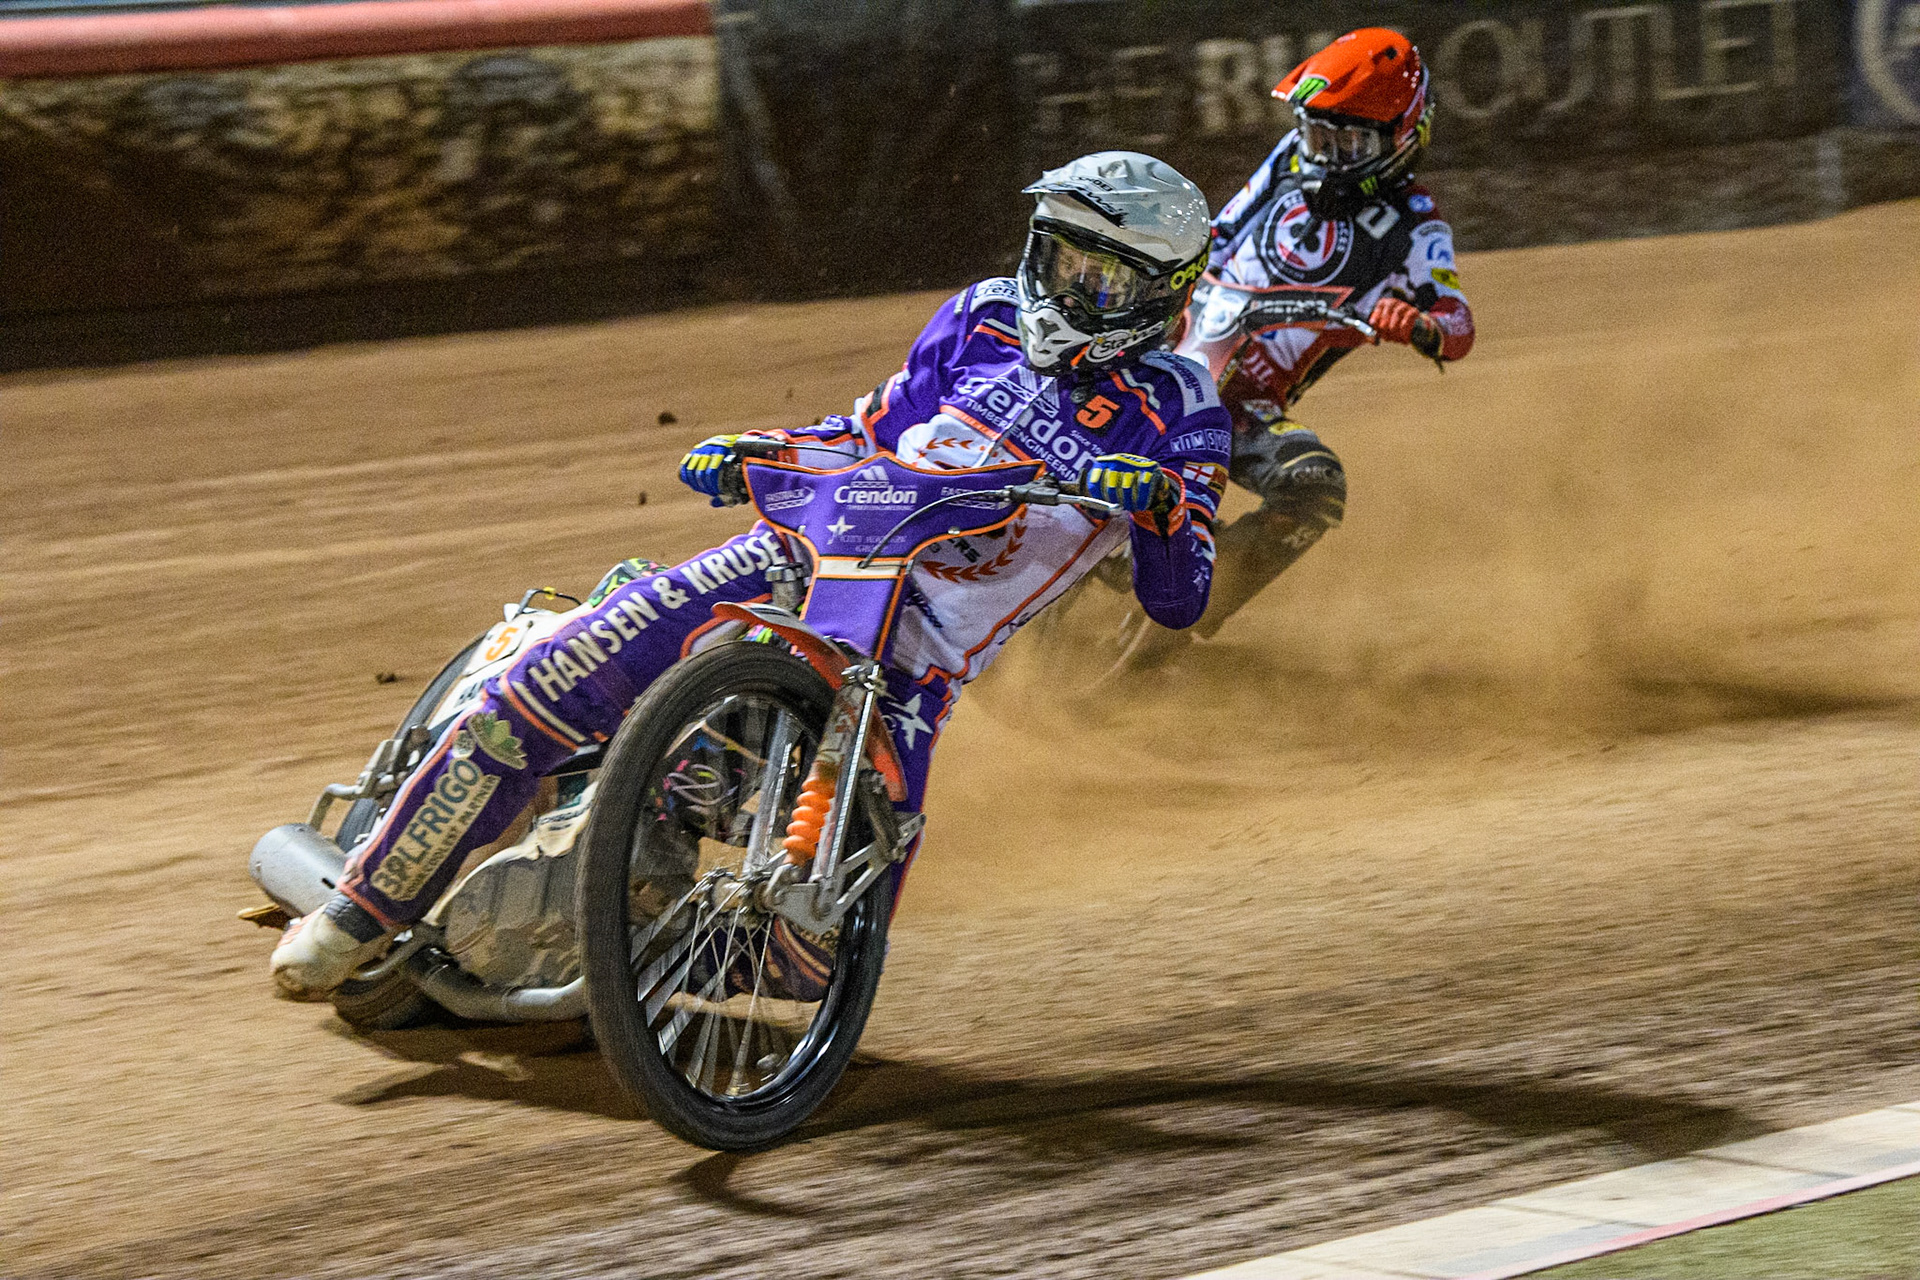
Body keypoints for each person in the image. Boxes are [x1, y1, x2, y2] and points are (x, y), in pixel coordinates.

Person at [271, 151, 1234, 999]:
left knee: (810, 969)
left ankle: (628, 948)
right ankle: (361, 909)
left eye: (1103, 278)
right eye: (1061, 258)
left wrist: (1154, 509)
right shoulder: (981, 315)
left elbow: (1179, 595)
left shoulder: (1182, 410)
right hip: (805, 551)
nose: (1070, 288)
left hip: (910, 656)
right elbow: (867, 433)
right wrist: (761, 447)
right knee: (548, 684)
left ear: (1159, 295)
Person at [1116, 28, 1476, 660]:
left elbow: (1458, 324)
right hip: (1176, 341)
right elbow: (1222, 230)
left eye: (1346, 142)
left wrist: (1416, 324)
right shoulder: (1288, 157)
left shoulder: (1419, 227)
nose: (1324, 155)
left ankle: (1197, 602)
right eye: (1317, 134)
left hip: (1248, 401)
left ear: (1400, 139)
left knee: (1315, 484)